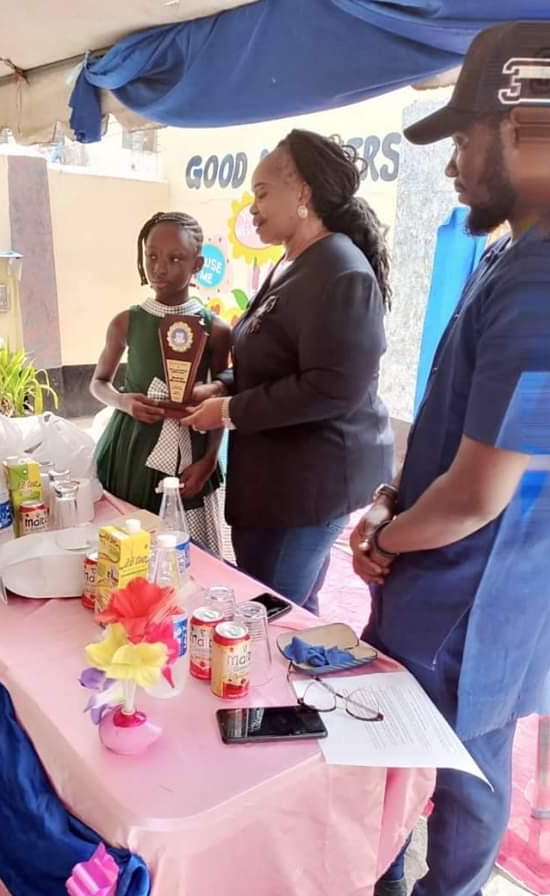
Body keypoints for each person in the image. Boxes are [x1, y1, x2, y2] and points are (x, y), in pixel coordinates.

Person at [350, 21, 550, 896]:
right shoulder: (510, 254)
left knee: (468, 769)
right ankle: (399, 879)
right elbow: (456, 426)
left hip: (478, 593)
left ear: (521, 128)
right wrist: (392, 501)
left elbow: (476, 495)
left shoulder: (542, 281)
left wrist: (385, 538)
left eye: (465, 138)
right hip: (452, 573)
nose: (454, 164)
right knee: (412, 748)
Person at [183, 130, 394, 612]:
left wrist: (229, 411)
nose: (252, 209)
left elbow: (332, 387)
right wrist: (222, 386)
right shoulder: (295, 262)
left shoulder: (340, 270)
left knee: (269, 611)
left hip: (308, 484)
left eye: (261, 194)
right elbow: (273, 360)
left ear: (302, 193)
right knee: (294, 607)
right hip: (277, 477)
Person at [91, 212, 231, 554]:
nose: (159, 268)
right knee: (128, 546)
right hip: (131, 451)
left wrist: (209, 459)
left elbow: (221, 398)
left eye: (175, 258)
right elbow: (98, 383)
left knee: (186, 550)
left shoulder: (216, 329)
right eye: (151, 256)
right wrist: (123, 402)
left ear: (197, 265)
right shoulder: (126, 322)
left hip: (191, 453)